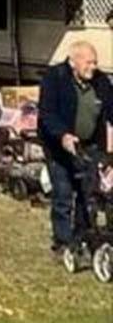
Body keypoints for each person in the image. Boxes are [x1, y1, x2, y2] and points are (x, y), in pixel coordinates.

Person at [37, 42, 113, 259]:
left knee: (87, 192)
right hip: (59, 145)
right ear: (73, 62)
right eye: (88, 62)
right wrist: (63, 135)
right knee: (62, 193)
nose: (93, 66)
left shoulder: (100, 81)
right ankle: (62, 241)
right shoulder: (55, 78)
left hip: (90, 144)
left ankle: (82, 237)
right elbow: (47, 113)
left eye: (95, 61)